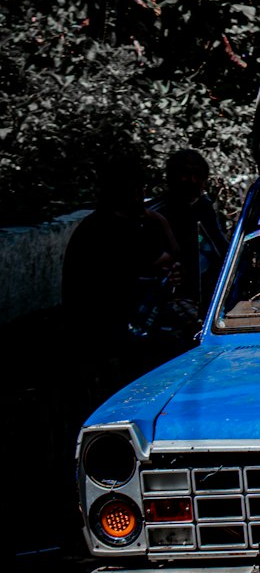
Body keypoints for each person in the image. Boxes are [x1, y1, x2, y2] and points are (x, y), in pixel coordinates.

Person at [62, 148, 182, 408]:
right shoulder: (107, 229)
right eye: (134, 190)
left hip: (119, 329)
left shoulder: (117, 224)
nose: (139, 196)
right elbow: (167, 257)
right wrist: (155, 218)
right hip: (104, 332)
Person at [148, 148, 228, 317]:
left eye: (197, 175)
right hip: (165, 303)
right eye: (185, 174)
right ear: (171, 177)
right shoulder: (153, 215)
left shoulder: (206, 210)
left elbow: (221, 251)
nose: (191, 180)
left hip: (208, 301)